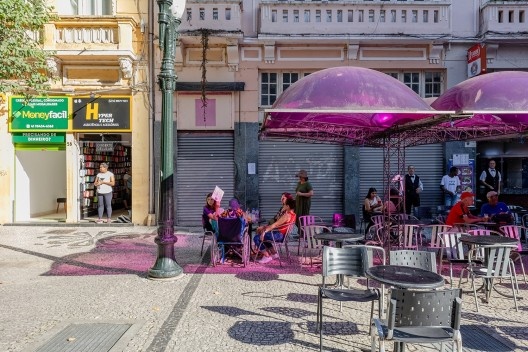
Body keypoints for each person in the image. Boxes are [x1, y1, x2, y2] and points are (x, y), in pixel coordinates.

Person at [254, 197, 296, 264]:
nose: (283, 206)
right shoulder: (293, 215)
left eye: (285, 205)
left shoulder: (286, 215)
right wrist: (265, 228)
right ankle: (274, 253)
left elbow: (275, 225)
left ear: (288, 206)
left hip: (279, 235)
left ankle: (267, 256)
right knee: (264, 236)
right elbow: (279, 225)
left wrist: (264, 231)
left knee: (256, 238)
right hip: (282, 235)